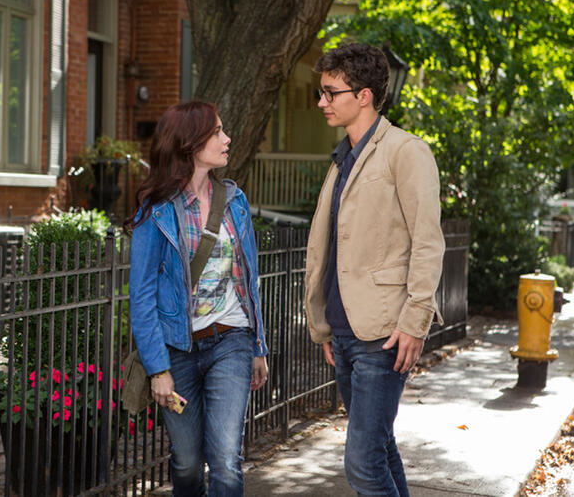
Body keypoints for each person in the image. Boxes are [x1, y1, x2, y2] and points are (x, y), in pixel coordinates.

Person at [304, 43, 445, 496]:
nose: (322, 102)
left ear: (363, 95)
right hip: (346, 332)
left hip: (385, 333)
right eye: (320, 92)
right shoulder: (342, 158)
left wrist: (415, 322)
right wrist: (327, 326)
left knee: (363, 464)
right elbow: (334, 246)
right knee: (380, 450)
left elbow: (428, 242)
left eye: (330, 92)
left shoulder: (406, 152)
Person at [126, 101, 269, 496]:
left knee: (225, 459)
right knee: (187, 463)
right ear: (190, 144)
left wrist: (258, 347)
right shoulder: (155, 213)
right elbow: (141, 298)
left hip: (231, 341)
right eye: (217, 132)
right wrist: (158, 369)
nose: (227, 139)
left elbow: (249, 279)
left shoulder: (234, 202)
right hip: (178, 352)